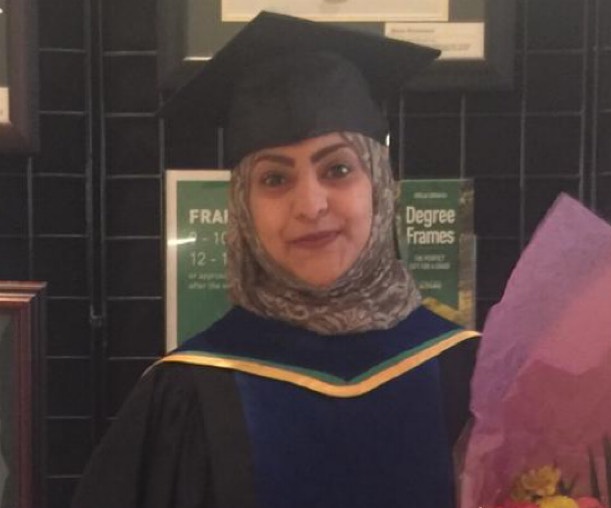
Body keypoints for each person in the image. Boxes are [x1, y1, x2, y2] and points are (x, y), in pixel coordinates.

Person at [72, 11, 479, 508]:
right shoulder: (188, 392)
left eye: (338, 169)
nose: (310, 205)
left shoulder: (470, 374)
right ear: (242, 206)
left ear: (380, 186)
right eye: (274, 179)